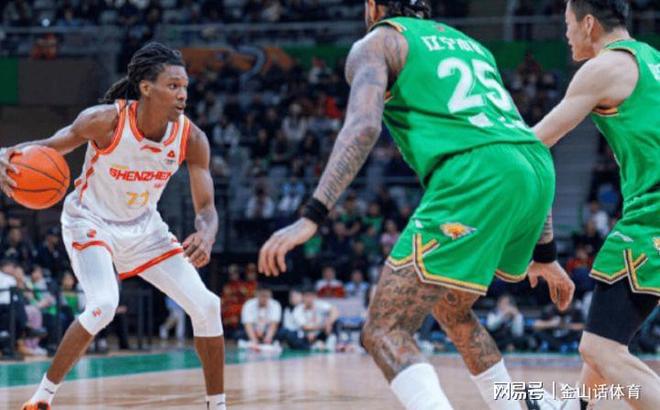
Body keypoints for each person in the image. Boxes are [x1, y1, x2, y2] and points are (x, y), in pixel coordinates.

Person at [258, 1, 574, 409]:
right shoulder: (472, 46)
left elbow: (363, 126)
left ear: (373, 6)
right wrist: (546, 254)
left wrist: (312, 214)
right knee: (452, 309)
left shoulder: (379, 42)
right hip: (535, 166)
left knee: (384, 330)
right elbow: (513, 142)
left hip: (476, 172)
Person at [0, 42, 226, 410]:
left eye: (185, 86)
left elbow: (206, 208)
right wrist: (7, 156)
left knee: (208, 305)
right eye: (173, 86)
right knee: (104, 304)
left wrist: (206, 233)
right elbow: (50, 147)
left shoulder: (192, 138)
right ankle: (42, 398)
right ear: (146, 87)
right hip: (90, 221)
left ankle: (217, 406)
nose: (182, 94)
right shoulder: (105, 121)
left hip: (146, 230)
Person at [527, 1, 660, 409]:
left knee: (599, 349)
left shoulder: (604, 67)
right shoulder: (651, 58)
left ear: (588, 24)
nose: (566, 34)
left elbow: (533, 145)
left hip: (653, 213)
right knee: (607, 336)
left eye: (568, 24)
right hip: (649, 209)